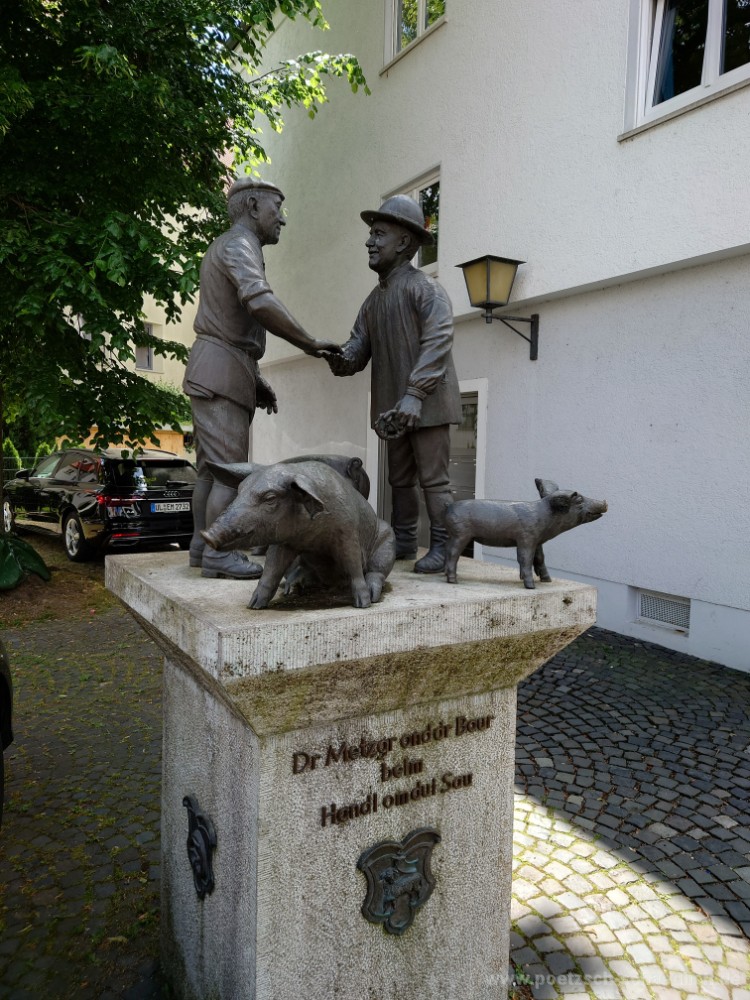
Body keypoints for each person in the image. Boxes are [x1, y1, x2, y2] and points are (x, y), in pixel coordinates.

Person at [183, 178, 340, 578]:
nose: (281, 219)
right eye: (277, 209)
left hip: (222, 368)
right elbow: (259, 301)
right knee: (230, 471)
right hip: (220, 369)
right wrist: (308, 342)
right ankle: (218, 554)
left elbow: (236, 323)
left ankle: (202, 546)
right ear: (253, 206)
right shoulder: (239, 244)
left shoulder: (231, 246)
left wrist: (254, 378)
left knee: (211, 470)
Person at [326, 195, 462, 573]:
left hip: (428, 405)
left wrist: (415, 394)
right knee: (399, 479)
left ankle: (443, 546)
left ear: (403, 242)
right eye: (371, 234)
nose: (369, 242)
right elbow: (357, 347)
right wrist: (339, 357)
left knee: (434, 480)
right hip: (393, 409)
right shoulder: (373, 301)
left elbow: (438, 342)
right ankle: (403, 540)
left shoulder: (425, 288)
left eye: (378, 234)